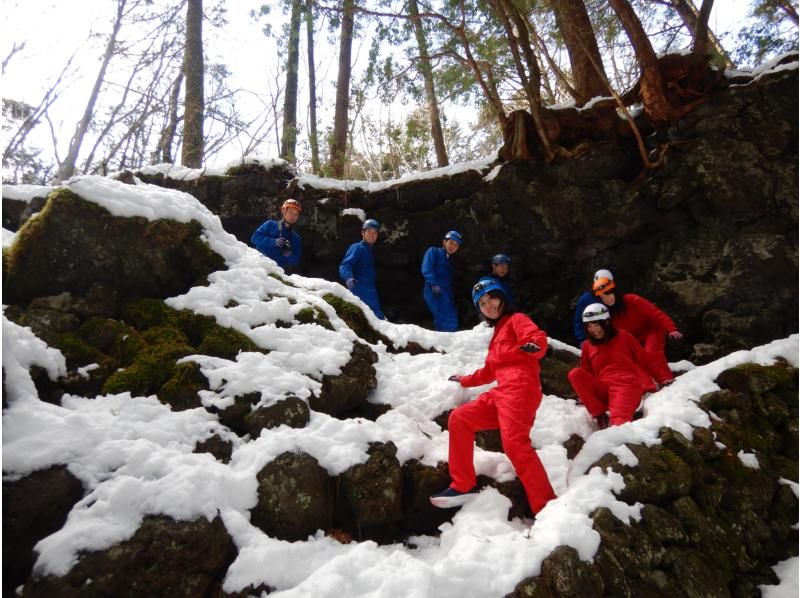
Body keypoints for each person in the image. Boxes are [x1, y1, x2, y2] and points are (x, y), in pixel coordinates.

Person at [430, 277, 556, 514]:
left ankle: (547, 505)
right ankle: (463, 484)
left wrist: (534, 345)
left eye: (492, 299)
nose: (488, 306)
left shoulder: (517, 320)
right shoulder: (497, 334)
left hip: (520, 389)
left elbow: (536, 337)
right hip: (501, 392)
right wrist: (465, 380)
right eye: (482, 303)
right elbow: (489, 371)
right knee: (460, 418)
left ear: (502, 298)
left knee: (515, 445)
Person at [569, 304, 672, 428]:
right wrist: (587, 396)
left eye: (596, 325)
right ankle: (599, 415)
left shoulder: (623, 336)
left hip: (626, 386)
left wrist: (662, 379)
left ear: (606, 323)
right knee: (575, 374)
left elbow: (645, 360)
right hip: (604, 388)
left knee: (619, 422)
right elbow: (587, 371)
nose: (593, 330)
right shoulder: (587, 346)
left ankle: (617, 438)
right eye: (589, 326)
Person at [592, 273, 683, 382]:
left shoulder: (632, 300)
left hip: (652, 329)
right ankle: (649, 384)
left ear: (614, 291)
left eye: (608, 293)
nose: (607, 298)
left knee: (652, 352)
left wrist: (672, 329)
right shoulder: (607, 315)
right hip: (634, 339)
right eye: (602, 296)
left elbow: (656, 313)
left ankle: (667, 379)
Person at [339, 218, 385, 319]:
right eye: (369, 232)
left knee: (377, 320)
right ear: (362, 233)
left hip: (370, 291)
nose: (372, 235)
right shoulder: (357, 247)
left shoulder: (369, 251)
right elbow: (345, 265)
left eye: (375, 233)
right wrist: (348, 278)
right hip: (359, 290)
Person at [421, 230, 462, 332]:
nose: (453, 246)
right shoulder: (434, 251)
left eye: (456, 245)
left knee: (445, 316)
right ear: (444, 242)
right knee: (448, 318)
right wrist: (433, 283)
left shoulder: (451, 261)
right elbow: (426, 267)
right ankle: (451, 341)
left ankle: (445, 341)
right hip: (434, 288)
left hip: (446, 292)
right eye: (451, 242)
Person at [251, 198, 303, 270]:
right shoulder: (270, 224)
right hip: (259, 264)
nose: (293, 216)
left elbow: (296, 260)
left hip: (277, 271)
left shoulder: (295, 238)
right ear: (283, 211)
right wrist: (273, 242)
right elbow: (254, 238)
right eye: (290, 212)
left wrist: (289, 255)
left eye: (296, 214)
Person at [572, 268, 613, 345]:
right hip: (590, 339)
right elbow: (579, 320)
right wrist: (582, 339)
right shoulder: (586, 299)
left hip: (610, 338)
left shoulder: (613, 298)